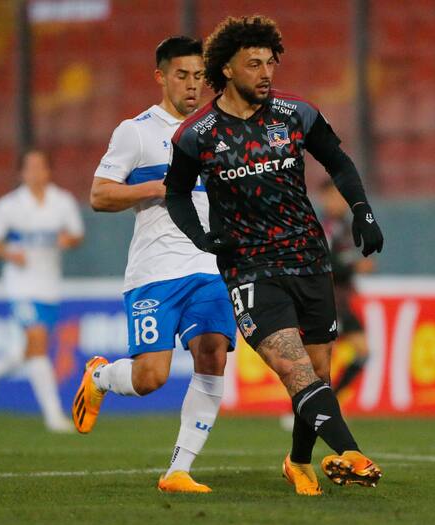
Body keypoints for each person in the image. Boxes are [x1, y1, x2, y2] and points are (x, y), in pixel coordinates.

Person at [164, 15, 385, 496]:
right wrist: (201, 237)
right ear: (225, 69)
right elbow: (176, 194)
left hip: (309, 259)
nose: (267, 72)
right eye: (254, 63)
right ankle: (351, 452)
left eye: (271, 62)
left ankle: (299, 461)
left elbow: (338, 161)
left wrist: (362, 210)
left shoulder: (295, 114)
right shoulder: (196, 134)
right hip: (250, 270)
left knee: (320, 372)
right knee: (294, 369)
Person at [71, 36, 237, 493]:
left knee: (213, 354)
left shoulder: (221, 131)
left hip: (209, 267)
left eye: (200, 76)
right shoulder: (137, 131)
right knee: (151, 378)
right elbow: (100, 195)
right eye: (182, 75)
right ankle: (100, 376)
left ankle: (179, 470)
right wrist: (156, 188)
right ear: (161, 76)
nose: (192, 85)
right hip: (154, 272)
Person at [0, 149, 84, 432]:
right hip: (21, 284)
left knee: (29, 349)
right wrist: (10, 254)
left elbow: (76, 234)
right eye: (29, 167)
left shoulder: (62, 201)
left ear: (48, 171)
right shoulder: (10, 205)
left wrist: (68, 240)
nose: (35, 173)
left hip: (49, 285)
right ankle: (53, 415)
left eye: (40, 167)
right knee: (38, 341)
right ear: (21, 173)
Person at [319, 181, 374, 396]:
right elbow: (324, 262)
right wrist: (354, 266)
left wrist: (352, 274)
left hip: (342, 302)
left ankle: (331, 401)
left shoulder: (344, 225)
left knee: (363, 352)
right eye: (335, 197)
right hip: (329, 301)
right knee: (321, 358)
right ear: (325, 199)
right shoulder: (326, 227)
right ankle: (307, 409)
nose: (341, 201)